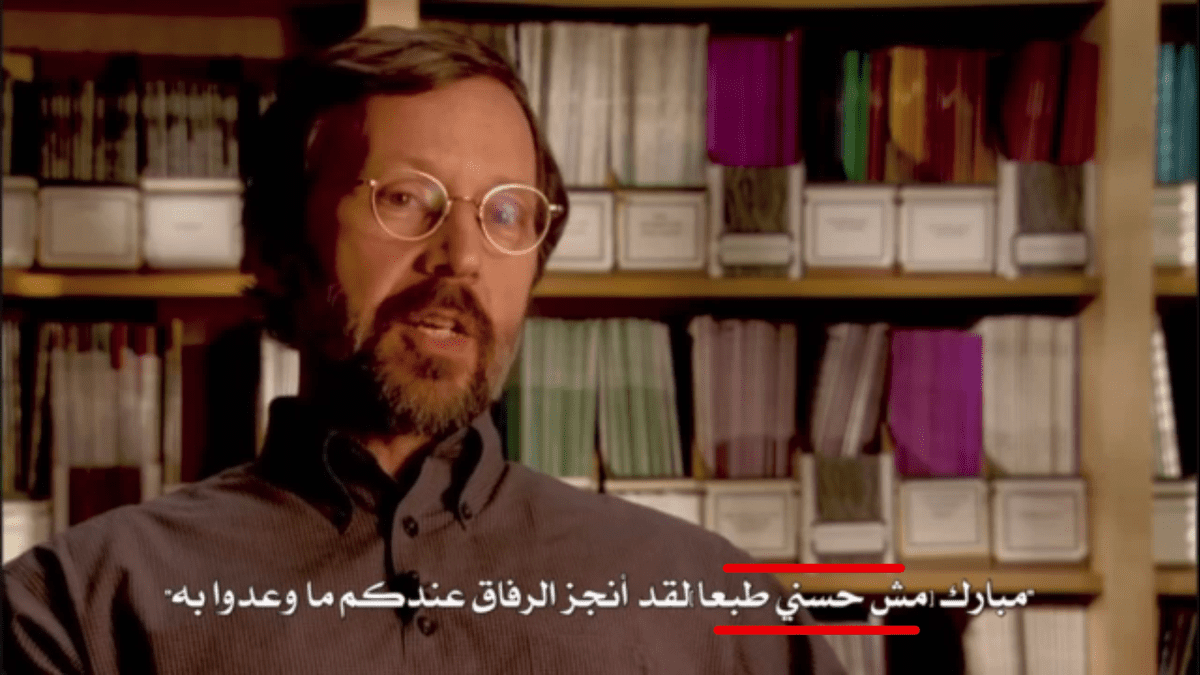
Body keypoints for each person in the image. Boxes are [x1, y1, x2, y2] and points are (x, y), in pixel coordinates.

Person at [4, 27, 844, 674]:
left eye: (506, 213)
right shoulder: (81, 608)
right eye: (406, 198)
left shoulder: (716, 604)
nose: (461, 256)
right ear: (274, 246)